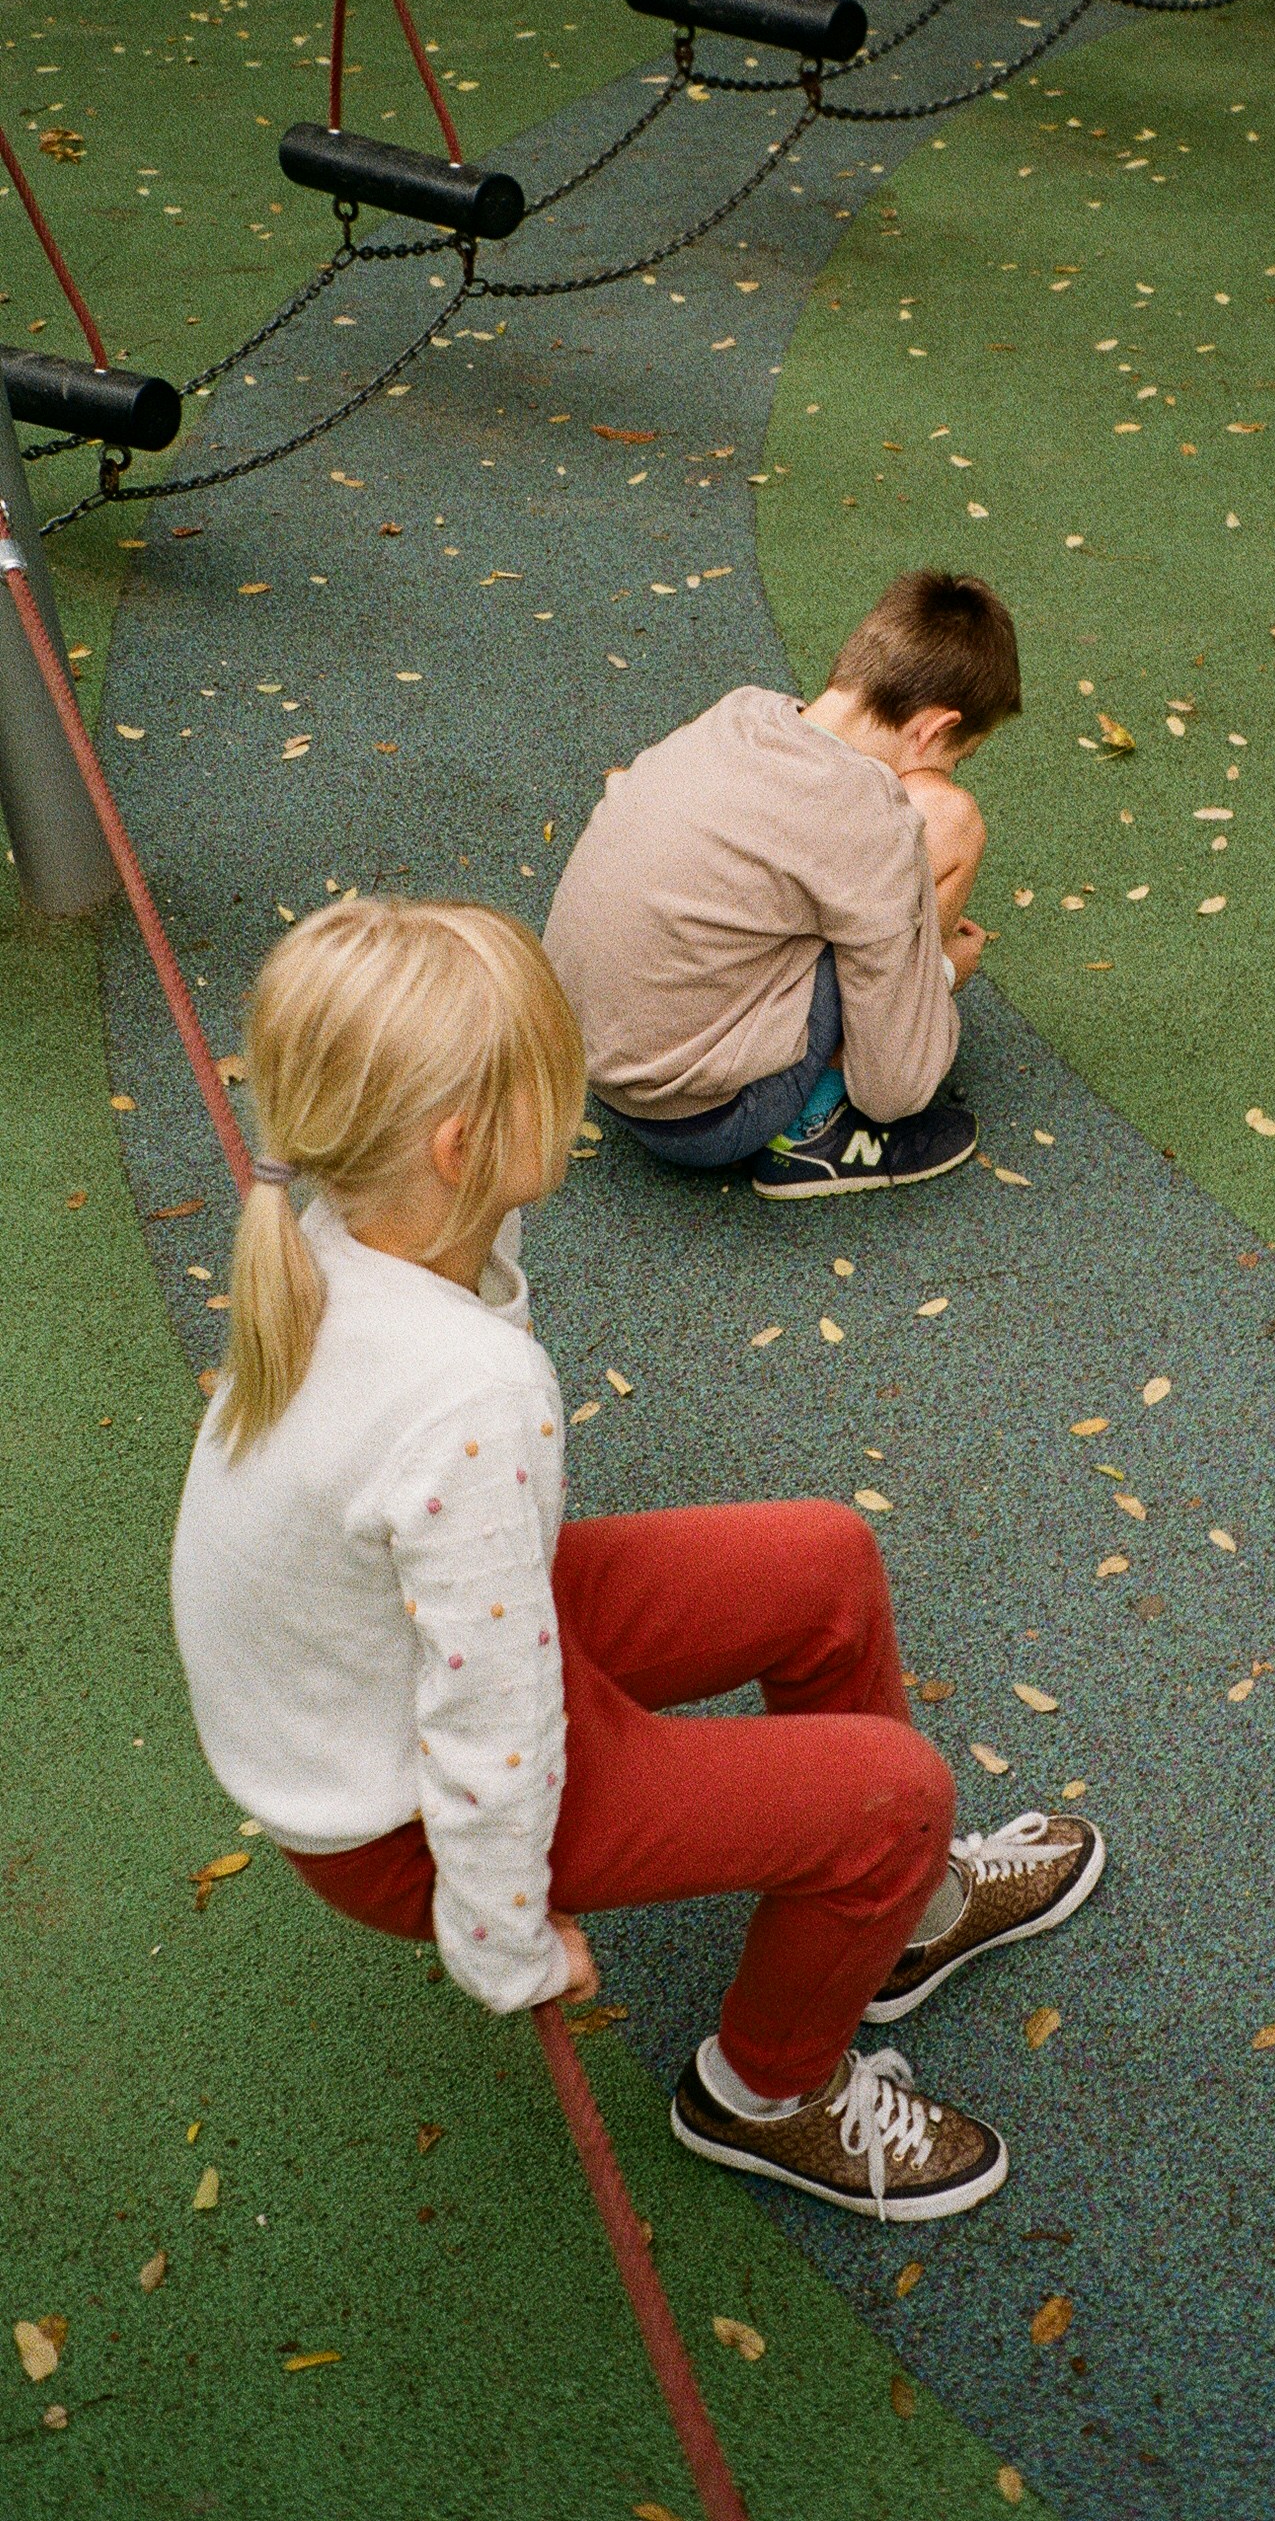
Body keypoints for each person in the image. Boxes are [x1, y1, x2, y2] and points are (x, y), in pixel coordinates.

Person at [170, 898, 1104, 2220]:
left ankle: (898, 1918)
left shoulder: (349, 1229)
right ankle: (768, 2092)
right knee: (896, 1792)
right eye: (559, 1081)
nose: (583, 1102)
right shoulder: (467, 1393)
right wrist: (501, 1941)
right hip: (407, 1815)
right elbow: (492, 1725)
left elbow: (477, 1619)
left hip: (426, 1653)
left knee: (824, 1559)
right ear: (457, 1146)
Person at [542, 569, 1019, 1199]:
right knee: (952, 822)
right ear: (932, 728)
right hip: (700, 1120)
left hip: (575, 1055)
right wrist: (942, 975)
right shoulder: (869, 820)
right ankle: (814, 1126)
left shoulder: (739, 713)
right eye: (957, 756)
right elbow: (895, 1089)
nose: (949, 770)